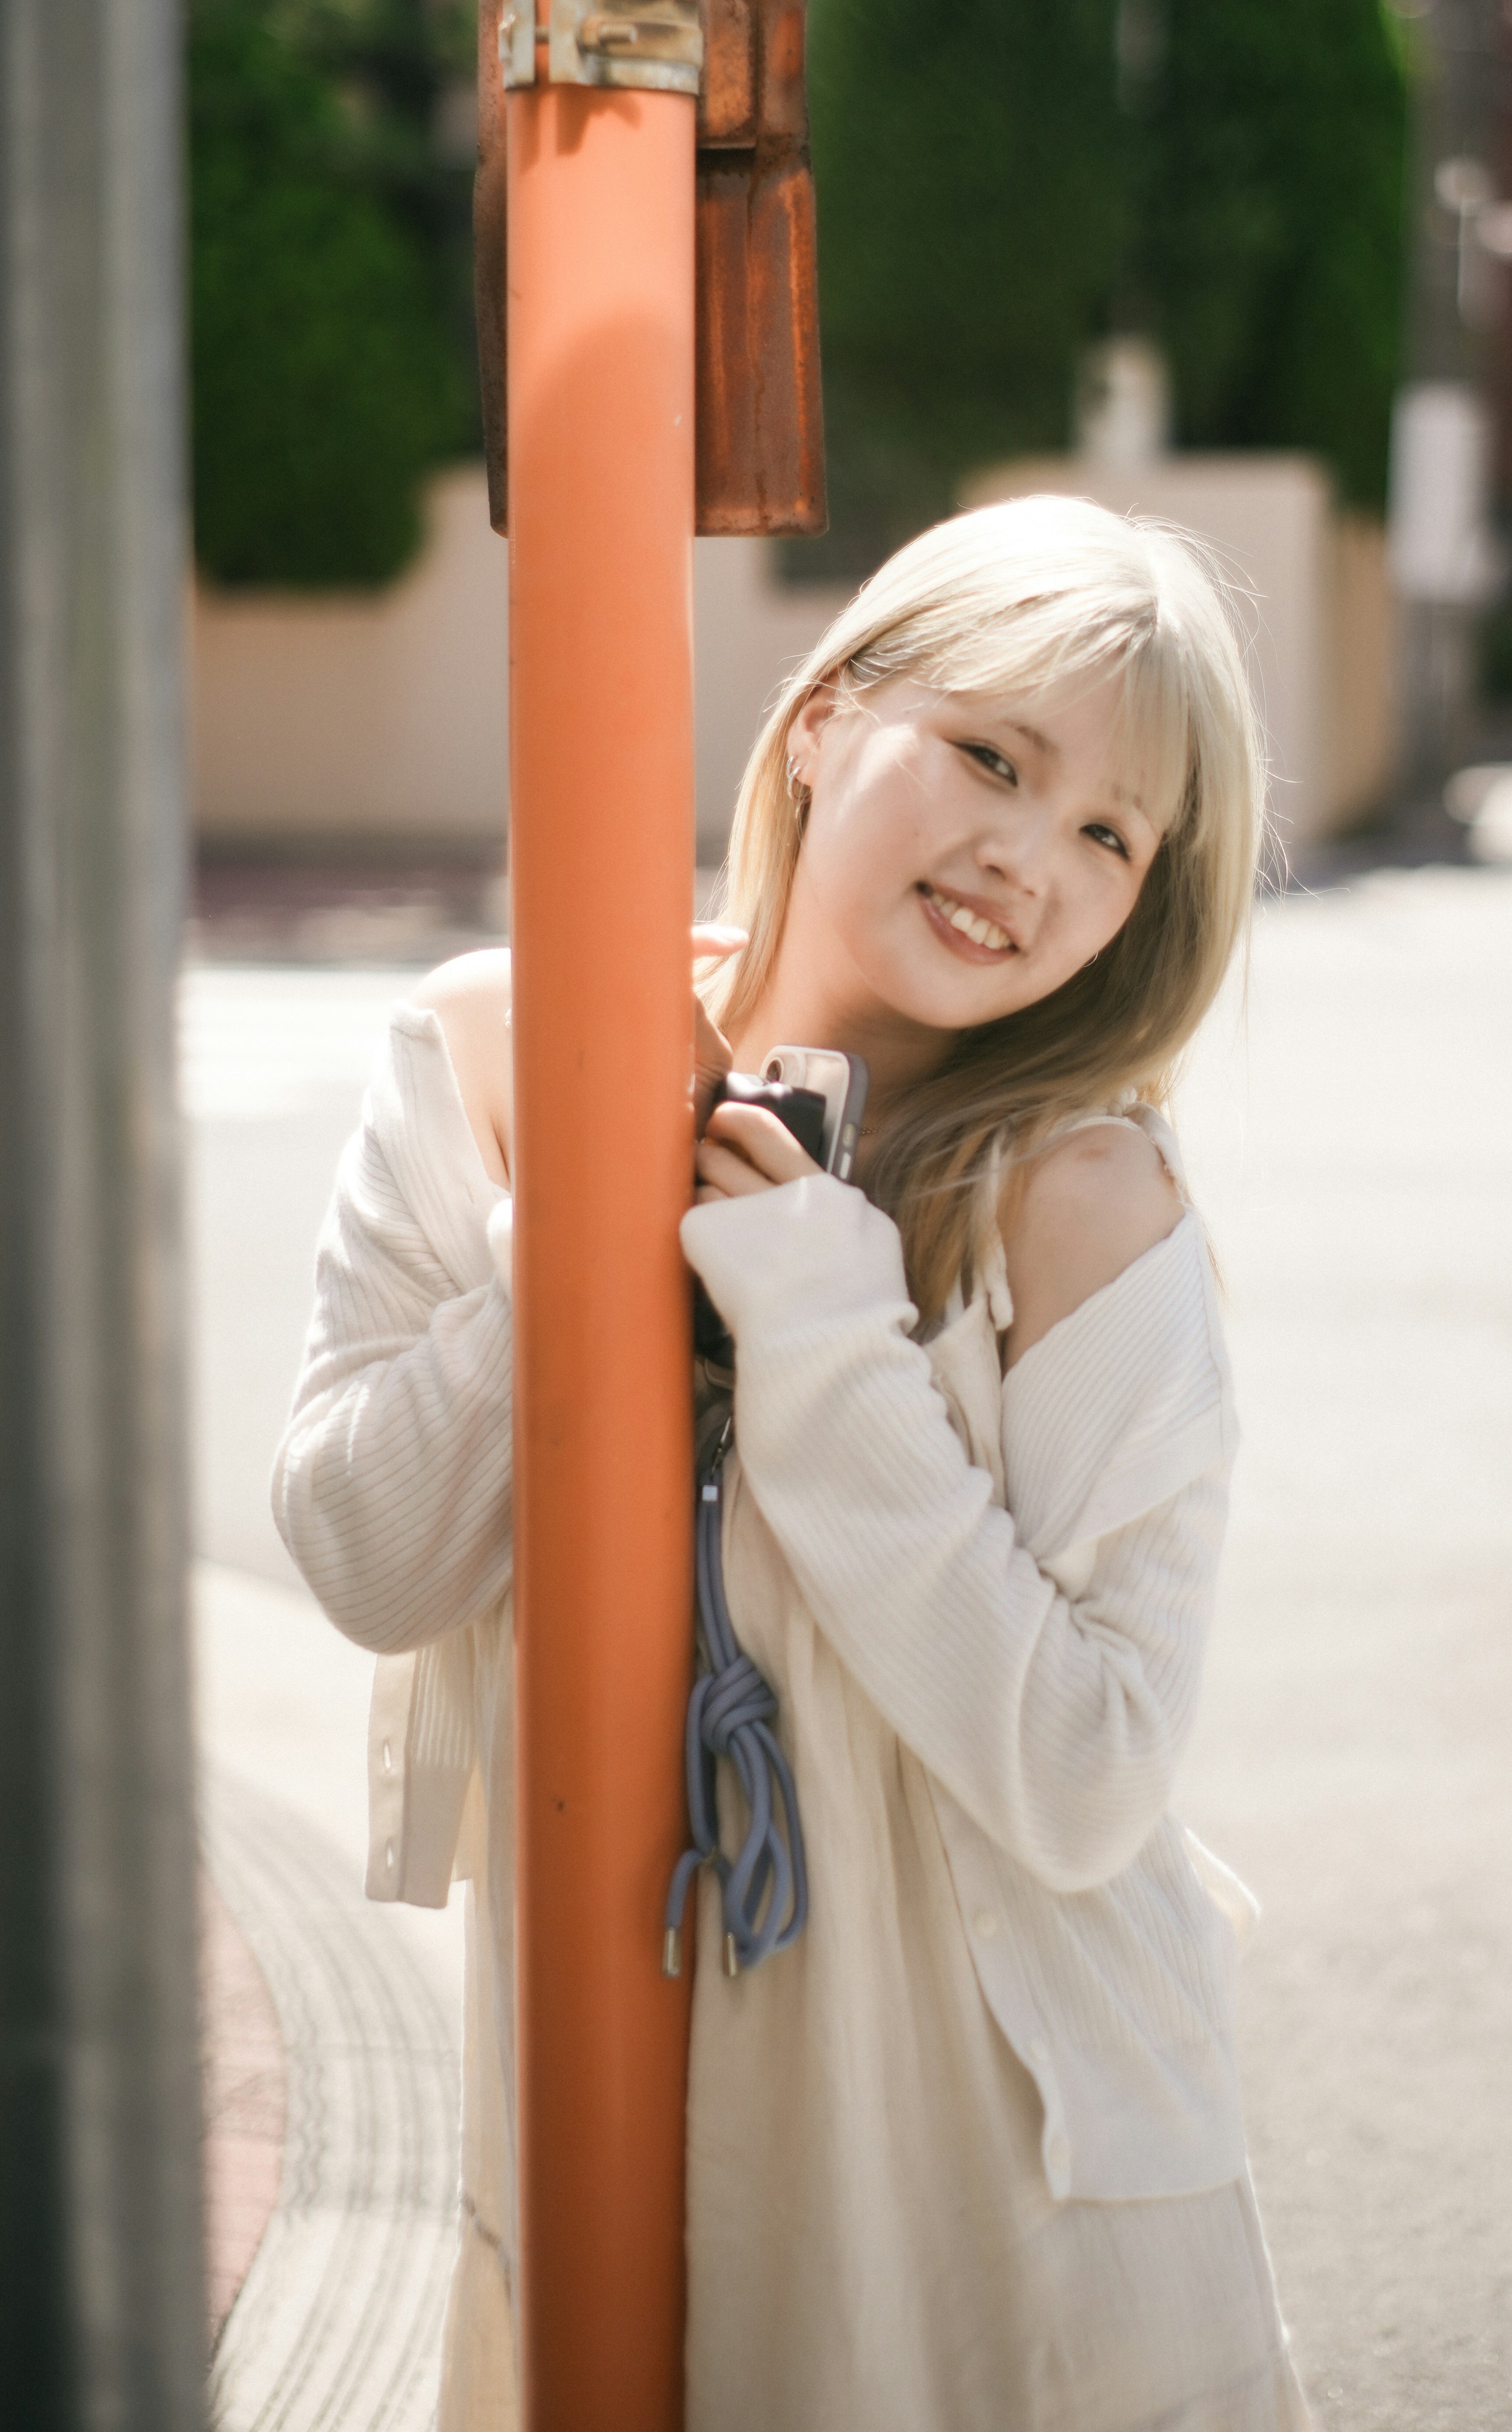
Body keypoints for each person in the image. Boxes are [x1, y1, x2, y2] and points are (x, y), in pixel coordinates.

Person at [274, 492, 1310, 2430]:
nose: (1031, 857)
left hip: (989, 2157)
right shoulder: (495, 1054)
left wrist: (827, 1330)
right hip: (613, 2087)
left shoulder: (1082, 1199)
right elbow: (364, 1554)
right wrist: (582, 1229)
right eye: (993, 756)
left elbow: (1090, 1778)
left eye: (1110, 834)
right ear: (826, 716)